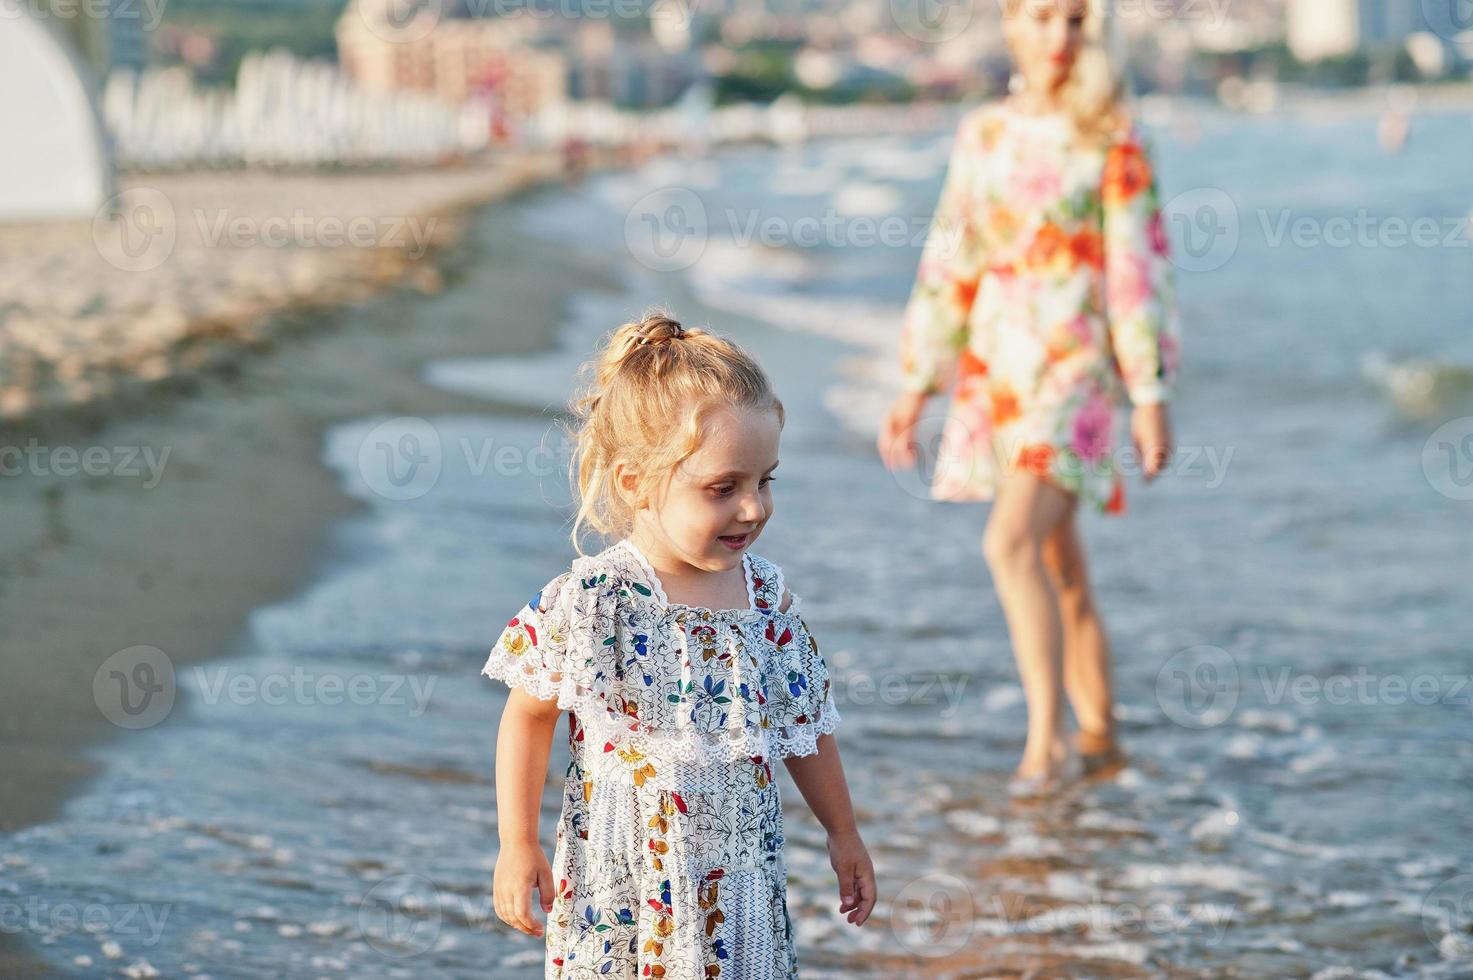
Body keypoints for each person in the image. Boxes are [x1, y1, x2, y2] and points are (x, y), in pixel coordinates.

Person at [485, 310, 877, 978]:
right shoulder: (595, 600)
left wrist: (843, 833)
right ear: (635, 482)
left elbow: (803, 730)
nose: (752, 508)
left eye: (764, 481)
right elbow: (529, 714)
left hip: (739, 882)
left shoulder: (765, 602)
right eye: (723, 488)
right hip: (623, 884)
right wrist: (517, 841)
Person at [878, 0, 1182, 793]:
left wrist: (1147, 390)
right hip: (995, 373)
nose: (1059, 36)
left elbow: (1135, 269)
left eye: (1076, 19)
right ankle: (1101, 734)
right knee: (1059, 562)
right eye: (1043, 16)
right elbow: (951, 256)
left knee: (1008, 542)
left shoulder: (1111, 131)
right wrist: (917, 381)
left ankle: (1043, 745)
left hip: (1074, 375)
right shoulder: (982, 133)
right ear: (1010, 22)